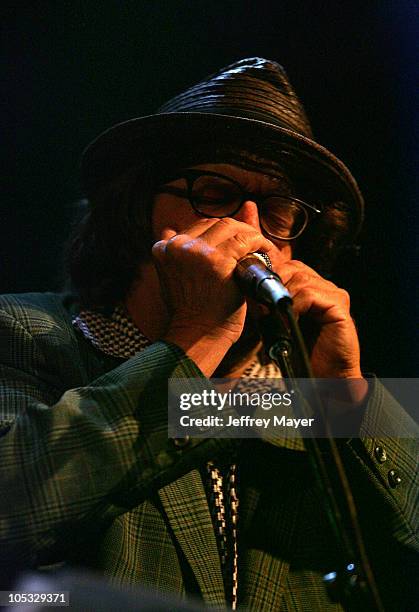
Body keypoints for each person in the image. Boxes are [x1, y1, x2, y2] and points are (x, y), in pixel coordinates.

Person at [0, 58, 417, 610]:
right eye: (214, 193)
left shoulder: (303, 398)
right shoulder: (25, 332)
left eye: (278, 209)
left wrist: (345, 399)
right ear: (137, 210)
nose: (248, 228)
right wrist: (195, 337)